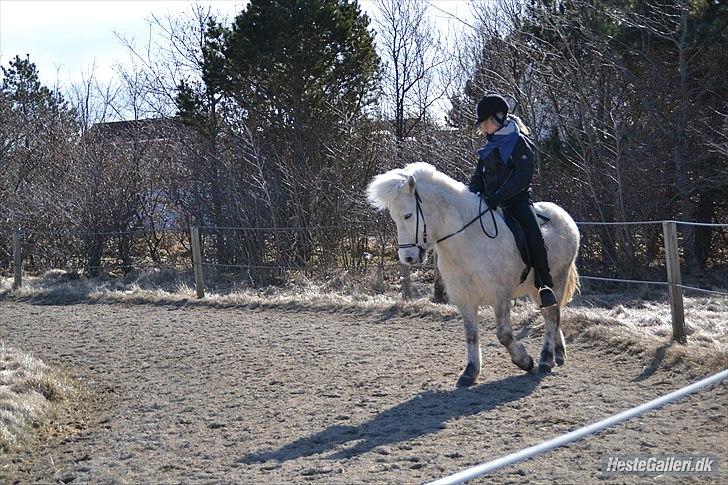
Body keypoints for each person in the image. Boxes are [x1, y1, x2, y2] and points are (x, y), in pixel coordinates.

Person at [468, 94, 558, 308]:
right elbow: (478, 176)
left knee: (533, 234)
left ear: (497, 118)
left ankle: (544, 284)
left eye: (485, 122)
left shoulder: (518, 141)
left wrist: (498, 196)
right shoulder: (489, 146)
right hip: (489, 203)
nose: (483, 128)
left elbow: (522, 176)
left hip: (517, 202)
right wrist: (471, 194)